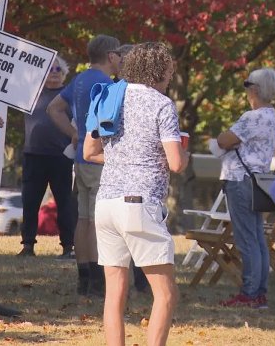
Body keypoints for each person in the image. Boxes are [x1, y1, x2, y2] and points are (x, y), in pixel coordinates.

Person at [83, 42, 186, 346]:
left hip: (106, 204)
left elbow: (91, 151)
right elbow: (176, 163)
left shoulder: (111, 96)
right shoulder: (161, 104)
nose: (170, 76)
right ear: (157, 71)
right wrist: (185, 154)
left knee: (115, 293)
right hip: (139, 204)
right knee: (166, 293)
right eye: (168, 70)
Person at [47, 34, 121, 296]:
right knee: (99, 220)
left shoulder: (79, 79)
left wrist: (73, 134)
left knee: (84, 218)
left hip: (81, 156)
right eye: (119, 56)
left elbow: (54, 108)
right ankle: (99, 280)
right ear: (111, 56)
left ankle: (84, 277)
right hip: (101, 157)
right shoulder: (108, 84)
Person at [215, 67, 275, 308]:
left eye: (247, 86)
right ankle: (259, 292)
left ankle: (250, 292)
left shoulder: (252, 117)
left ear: (254, 89)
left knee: (246, 238)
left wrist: (225, 142)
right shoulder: (271, 116)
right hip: (258, 181)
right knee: (257, 238)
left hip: (240, 179)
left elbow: (224, 140)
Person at [18, 56, 76, 259]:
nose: (54, 72)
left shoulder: (70, 95)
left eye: (58, 69)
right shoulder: (30, 94)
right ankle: (27, 245)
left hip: (61, 157)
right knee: (30, 202)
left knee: (64, 202)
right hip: (33, 155)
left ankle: (68, 246)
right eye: (50, 69)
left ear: (64, 73)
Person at [114, 43, 151, 295]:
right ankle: (142, 283)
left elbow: (89, 150)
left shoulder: (108, 95)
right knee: (140, 233)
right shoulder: (153, 100)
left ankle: (128, 287)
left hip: (114, 179)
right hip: (139, 179)